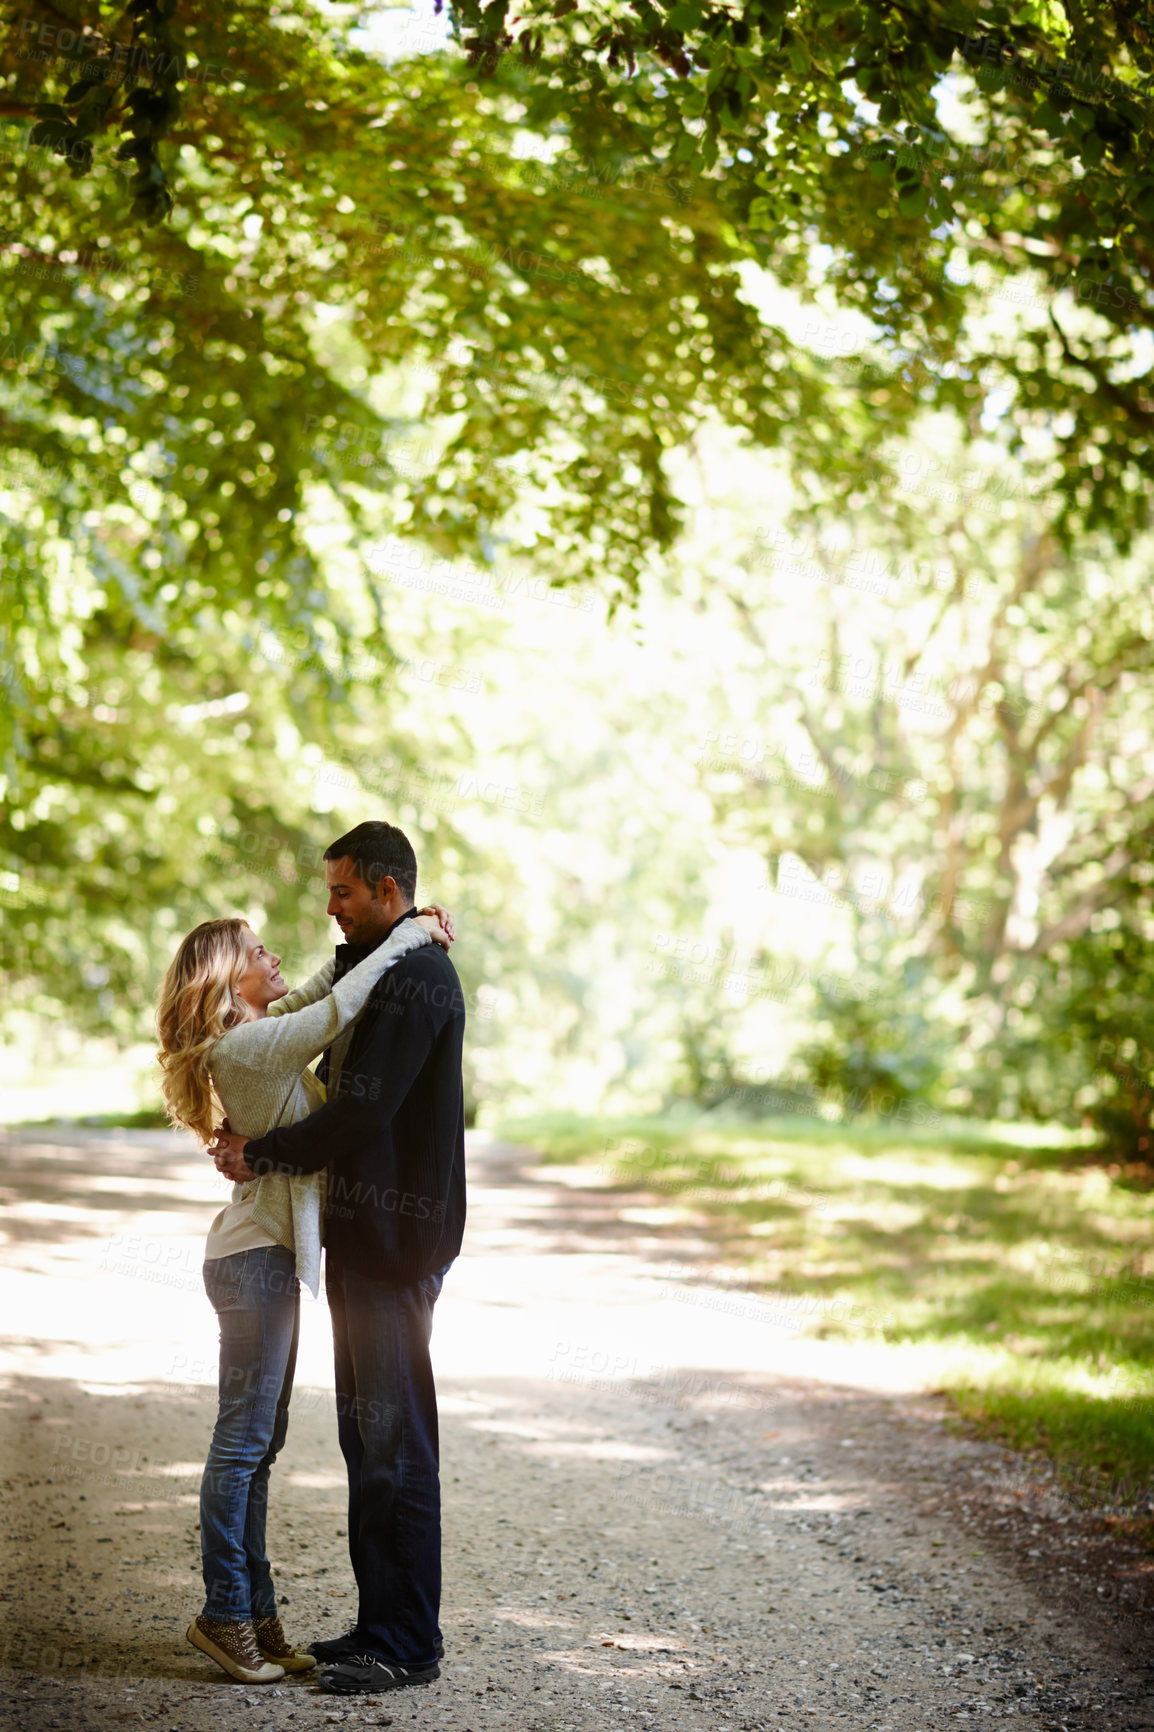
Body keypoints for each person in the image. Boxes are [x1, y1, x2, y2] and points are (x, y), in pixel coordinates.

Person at [156, 894, 454, 1684]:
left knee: (262, 1446)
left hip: (264, 1258)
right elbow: (338, 1009)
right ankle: (227, 1613)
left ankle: (255, 1616)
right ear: (226, 981)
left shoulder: (254, 1035)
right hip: (252, 1260)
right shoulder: (246, 1052)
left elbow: (319, 990)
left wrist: (382, 936)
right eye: (256, 952)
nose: (272, 957)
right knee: (244, 1444)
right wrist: (411, 937)